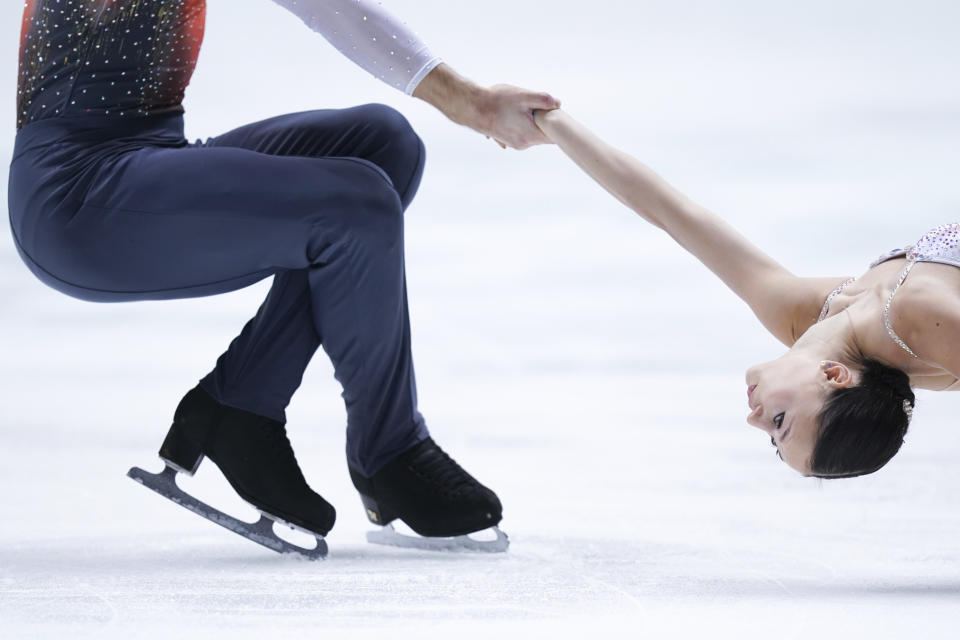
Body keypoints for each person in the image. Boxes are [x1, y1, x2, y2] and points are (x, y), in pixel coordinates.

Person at [9, 0, 559, 553]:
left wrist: (474, 103)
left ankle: (243, 404)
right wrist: (473, 106)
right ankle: (391, 452)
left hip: (149, 156)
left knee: (385, 144)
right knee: (355, 207)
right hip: (77, 199)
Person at [532, 108, 959, 479]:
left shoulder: (805, 314)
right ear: (833, 375)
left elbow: (672, 213)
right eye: (779, 422)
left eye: (773, 438)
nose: (753, 420)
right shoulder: (922, 319)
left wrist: (547, 121)